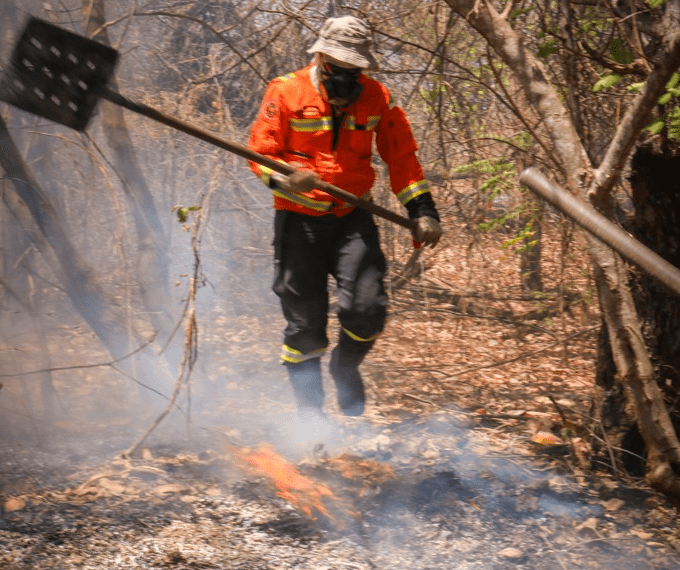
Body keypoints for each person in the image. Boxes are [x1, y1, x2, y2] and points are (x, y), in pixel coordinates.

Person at [248, 15, 442, 421]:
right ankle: (311, 417)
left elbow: (402, 157)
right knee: (304, 326)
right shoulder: (285, 91)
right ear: (320, 57)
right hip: (298, 222)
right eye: (339, 68)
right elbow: (260, 155)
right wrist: (286, 179)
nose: (347, 78)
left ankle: (346, 365)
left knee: (368, 309)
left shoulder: (377, 97)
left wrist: (421, 210)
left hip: (351, 217)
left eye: (355, 71)